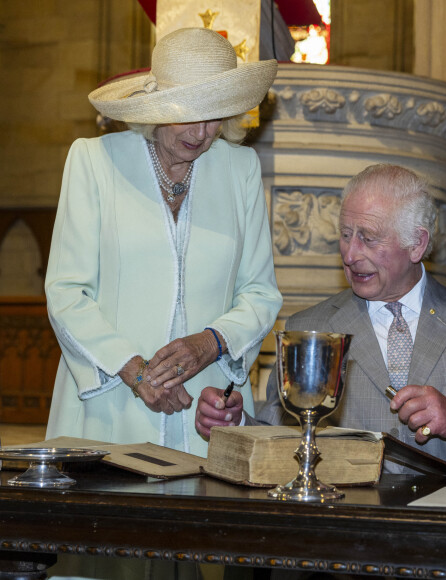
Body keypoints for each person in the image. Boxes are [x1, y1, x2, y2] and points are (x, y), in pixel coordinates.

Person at [44, 29, 282, 579]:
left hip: (204, 412)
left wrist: (211, 342)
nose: (200, 134)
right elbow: (67, 291)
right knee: (103, 560)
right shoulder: (94, 161)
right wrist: (134, 369)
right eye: (185, 115)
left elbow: (260, 292)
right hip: (106, 403)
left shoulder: (239, 170)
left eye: (213, 116)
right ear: (154, 108)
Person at [196, 163, 446, 480]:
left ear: (416, 244)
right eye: (346, 234)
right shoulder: (311, 327)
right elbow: (281, 438)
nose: (350, 255)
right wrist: (236, 424)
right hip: (345, 536)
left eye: (368, 237)